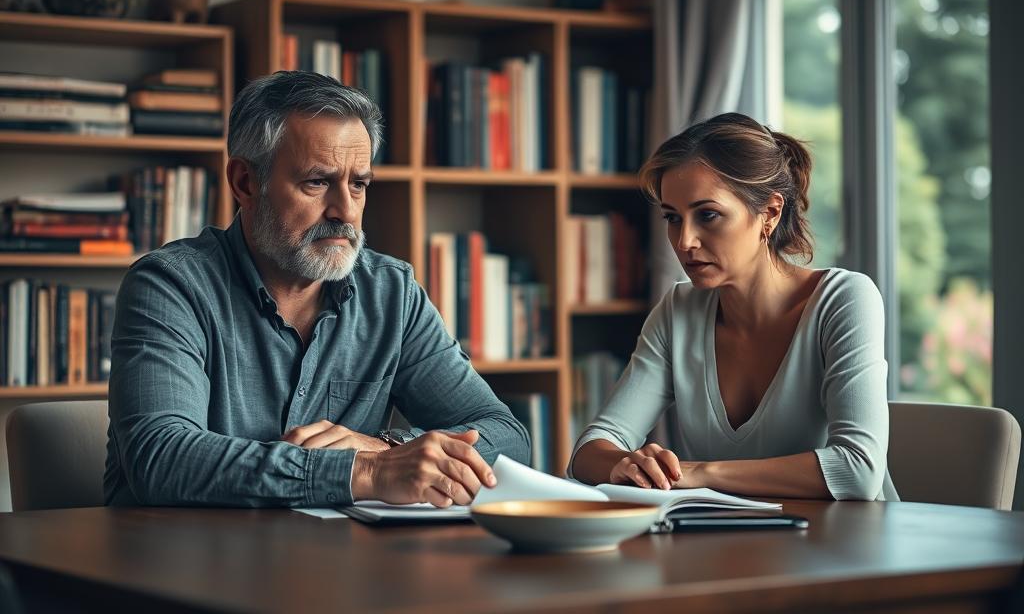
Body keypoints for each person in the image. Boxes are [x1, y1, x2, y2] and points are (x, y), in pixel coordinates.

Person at [105, 71, 530, 508]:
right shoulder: (170, 287)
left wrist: (390, 448)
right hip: (180, 564)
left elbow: (507, 436)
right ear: (245, 183)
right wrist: (364, 471)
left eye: (359, 185)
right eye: (317, 182)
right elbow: (160, 458)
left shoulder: (392, 294)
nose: (345, 210)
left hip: (334, 563)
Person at [570, 113, 899, 501]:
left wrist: (702, 472)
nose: (685, 241)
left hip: (851, 550)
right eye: (673, 218)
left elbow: (858, 469)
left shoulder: (844, 299)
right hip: (729, 550)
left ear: (770, 214)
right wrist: (622, 465)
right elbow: (589, 452)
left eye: (707, 215)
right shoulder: (679, 311)